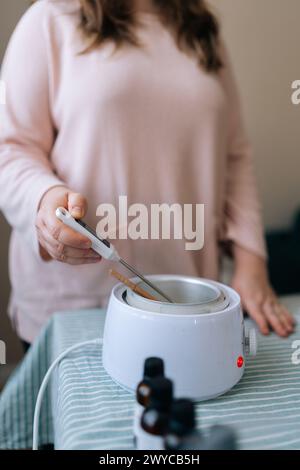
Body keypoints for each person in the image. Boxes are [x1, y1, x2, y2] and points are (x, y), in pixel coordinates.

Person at [0, 0, 294, 348]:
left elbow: (234, 156)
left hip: (186, 303)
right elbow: (11, 148)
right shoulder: (49, 20)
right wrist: (44, 200)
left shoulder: (202, 34)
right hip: (76, 306)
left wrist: (251, 262)